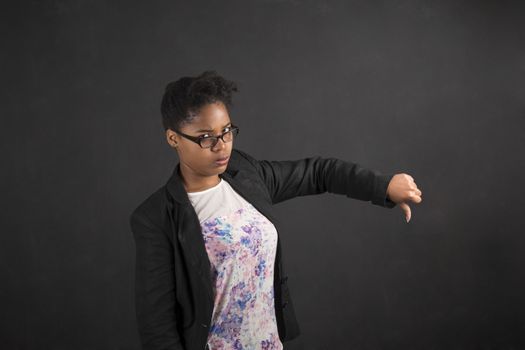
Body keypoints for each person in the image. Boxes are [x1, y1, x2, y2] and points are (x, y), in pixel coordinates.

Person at [129, 70, 423, 350]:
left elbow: (317, 172)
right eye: (206, 138)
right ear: (173, 138)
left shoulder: (245, 174)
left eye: (227, 132)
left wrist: (382, 186)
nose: (222, 146)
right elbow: (158, 327)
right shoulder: (156, 217)